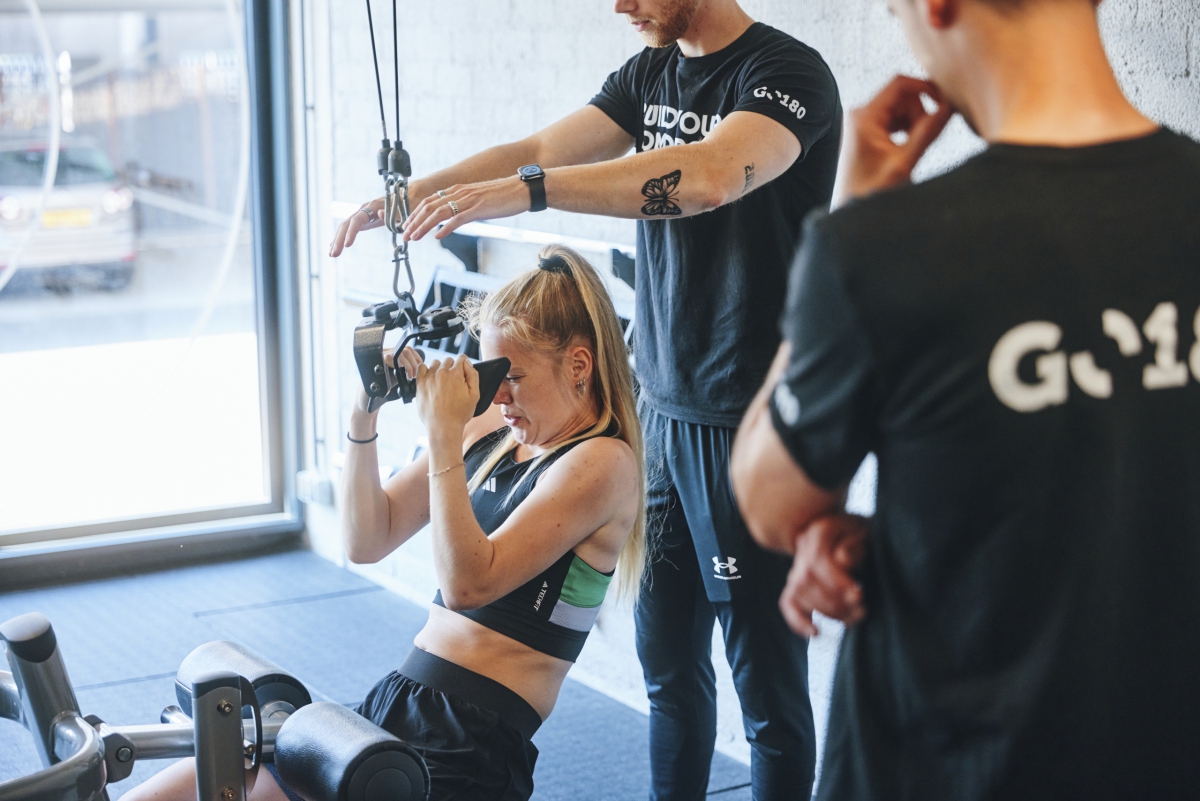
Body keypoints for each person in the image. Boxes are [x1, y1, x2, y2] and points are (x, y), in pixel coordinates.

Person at [331, 2, 841, 797]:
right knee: (668, 668)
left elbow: (705, 178)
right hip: (664, 411)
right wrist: (418, 196)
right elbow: (535, 148)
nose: (620, 7)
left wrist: (528, 194)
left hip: (752, 425)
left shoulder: (785, 74)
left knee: (767, 689)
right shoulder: (651, 73)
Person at [730, 0, 1200, 799]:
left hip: (950, 763)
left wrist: (847, 228)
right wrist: (916, 533)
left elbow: (771, 500)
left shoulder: (881, 248)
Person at [123, 246, 646, 801]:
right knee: (213, 769)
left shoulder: (603, 463)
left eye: (513, 376)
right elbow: (368, 539)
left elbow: (469, 585)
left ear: (579, 366)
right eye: (493, 375)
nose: (500, 396)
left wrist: (443, 434)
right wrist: (363, 414)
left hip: (472, 743)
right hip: (397, 698)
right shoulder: (491, 430)